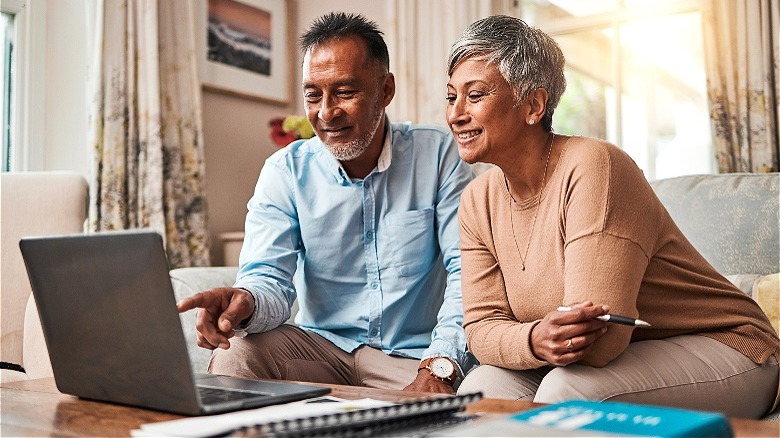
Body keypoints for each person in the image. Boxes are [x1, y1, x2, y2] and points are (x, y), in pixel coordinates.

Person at [445, 15, 779, 418]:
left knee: (566, 392)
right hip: (607, 358)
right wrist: (535, 339)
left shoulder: (596, 166)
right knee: (479, 391)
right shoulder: (477, 200)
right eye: (451, 97)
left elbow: (600, 342)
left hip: (728, 347)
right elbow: (481, 328)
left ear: (533, 104)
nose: (456, 114)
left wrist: (534, 340)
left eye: (475, 95)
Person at [177, 12, 475, 394]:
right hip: (321, 351)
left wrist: (440, 367)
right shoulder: (285, 171)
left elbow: (468, 273)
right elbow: (269, 277)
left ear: (385, 91)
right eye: (313, 95)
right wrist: (245, 300)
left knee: (476, 393)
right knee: (238, 352)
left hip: (413, 358)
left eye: (345, 92)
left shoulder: (437, 155)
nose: (326, 112)